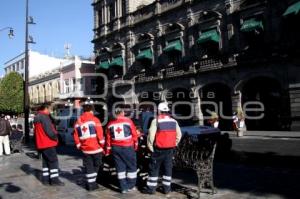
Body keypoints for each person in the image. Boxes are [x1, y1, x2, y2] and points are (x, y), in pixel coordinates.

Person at [142, 102, 182, 195]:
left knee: (154, 168)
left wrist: (150, 147)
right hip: (170, 149)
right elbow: (179, 134)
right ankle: (167, 189)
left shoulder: (156, 121)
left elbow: (151, 136)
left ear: (159, 111)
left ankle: (151, 189)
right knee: (168, 169)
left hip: (158, 150)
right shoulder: (174, 121)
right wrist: (174, 143)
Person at [73, 101, 105, 191]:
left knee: (89, 166)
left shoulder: (78, 121)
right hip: (96, 148)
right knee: (96, 165)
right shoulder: (95, 119)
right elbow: (100, 134)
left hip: (85, 149)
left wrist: (79, 145)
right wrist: (102, 144)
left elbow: (75, 135)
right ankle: (92, 183)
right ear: (92, 110)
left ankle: (91, 184)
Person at [105, 107, 138, 193]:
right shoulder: (128, 121)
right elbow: (134, 134)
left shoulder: (110, 124)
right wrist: (136, 146)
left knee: (120, 168)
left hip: (115, 148)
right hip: (127, 147)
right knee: (131, 167)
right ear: (122, 113)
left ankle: (123, 187)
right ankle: (130, 186)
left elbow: (108, 139)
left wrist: (108, 151)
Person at [33, 104, 64, 186]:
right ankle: (55, 180)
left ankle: (45, 180)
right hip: (48, 143)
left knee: (45, 162)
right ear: (46, 108)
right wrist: (56, 137)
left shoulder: (37, 117)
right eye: (50, 109)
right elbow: (49, 131)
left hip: (41, 143)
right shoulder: (44, 117)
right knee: (53, 161)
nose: (50, 111)